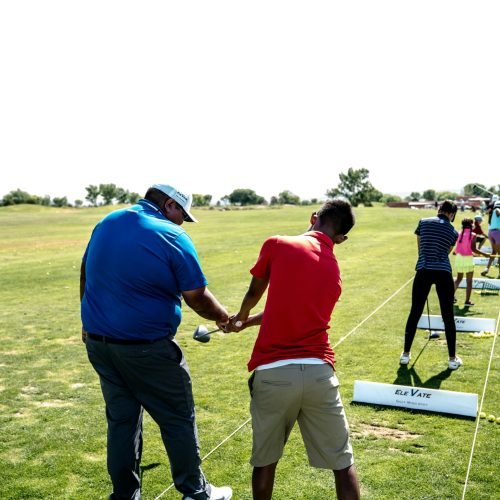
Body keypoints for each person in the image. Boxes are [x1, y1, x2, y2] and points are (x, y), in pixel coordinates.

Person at [80, 184, 232, 500]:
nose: (181, 223)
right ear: (169, 204)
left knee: (122, 422)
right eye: (182, 215)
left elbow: (85, 272)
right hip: (146, 348)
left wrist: (85, 321)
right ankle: (195, 491)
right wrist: (222, 317)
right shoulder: (171, 234)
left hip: (99, 344)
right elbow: (197, 296)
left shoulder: (108, 221)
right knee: (177, 417)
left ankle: (124, 495)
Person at [226, 199, 360, 500]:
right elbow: (290, 310)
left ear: (314, 217)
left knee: (265, 462)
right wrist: (245, 323)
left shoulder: (277, 244)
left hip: (273, 373)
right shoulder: (334, 271)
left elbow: (254, 291)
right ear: (341, 239)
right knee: (342, 463)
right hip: (319, 375)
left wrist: (241, 317)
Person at [400, 200, 461, 370]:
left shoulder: (423, 222)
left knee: (415, 312)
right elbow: (446, 253)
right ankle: (452, 359)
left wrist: (424, 263)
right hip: (443, 272)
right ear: (451, 214)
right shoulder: (453, 232)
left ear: (439, 209)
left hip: (424, 271)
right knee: (448, 315)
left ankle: (405, 355)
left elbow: (420, 249)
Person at [453, 218, 491, 306]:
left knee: (458, 279)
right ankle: (467, 301)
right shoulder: (473, 234)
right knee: (469, 281)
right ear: (470, 225)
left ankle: (450, 297)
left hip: (459, 258)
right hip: (468, 259)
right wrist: (485, 254)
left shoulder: (459, 233)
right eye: (473, 223)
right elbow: (474, 249)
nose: (474, 224)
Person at [481, 196, 500, 277]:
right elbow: (498, 211)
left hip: (491, 233)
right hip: (497, 233)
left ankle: (486, 269)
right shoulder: (497, 210)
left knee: (494, 252)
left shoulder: (492, 212)